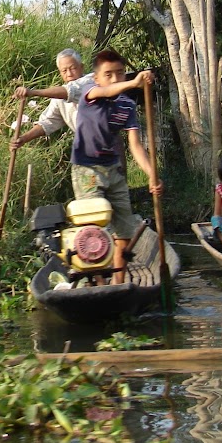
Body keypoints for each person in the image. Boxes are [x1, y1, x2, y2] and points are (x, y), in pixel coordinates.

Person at [69, 49, 162, 283]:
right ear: (96, 77)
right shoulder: (90, 93)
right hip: (87, 169)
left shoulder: (127, 106)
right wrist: (134, 82)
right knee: (94, 228)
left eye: (120, 74)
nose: (115, 79)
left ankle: (119, 282)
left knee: (124, 231)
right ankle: (99, 283)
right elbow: (107, 90)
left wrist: (152, 175)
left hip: (114, 169)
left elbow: (136, 146)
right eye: (108, 74)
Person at [10, 49, 92, 151]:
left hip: (106, 145)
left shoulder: (91, 81)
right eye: (64, 71)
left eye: (73, 68)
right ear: (60, 73)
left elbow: (70, 91)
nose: (69, 74)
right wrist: (23, 139)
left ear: (82, 67)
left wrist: (32, 92)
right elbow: (48, 122)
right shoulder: (59, 98)